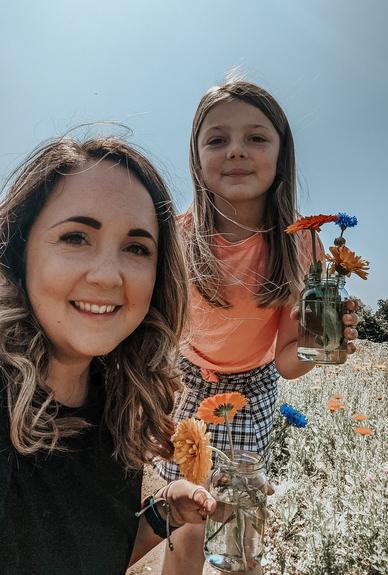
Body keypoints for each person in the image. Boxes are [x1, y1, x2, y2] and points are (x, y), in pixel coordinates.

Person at [157, 79, 359, 574]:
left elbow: (289, 362)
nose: (236, 152)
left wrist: (316, 346)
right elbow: (155, 333)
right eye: (217, 139)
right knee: (188, 525)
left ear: (281, 154)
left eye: (256, 138)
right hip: (184, 384)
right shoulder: (176, 237)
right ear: (196, 155)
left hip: (255, 383)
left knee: (239, 531)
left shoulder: (301, 247)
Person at [0, 136, 216, 575]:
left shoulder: (115, 404)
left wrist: (162, 516)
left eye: (137, 248)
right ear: (19, 252)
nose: (106, 275)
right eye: (76, 237)